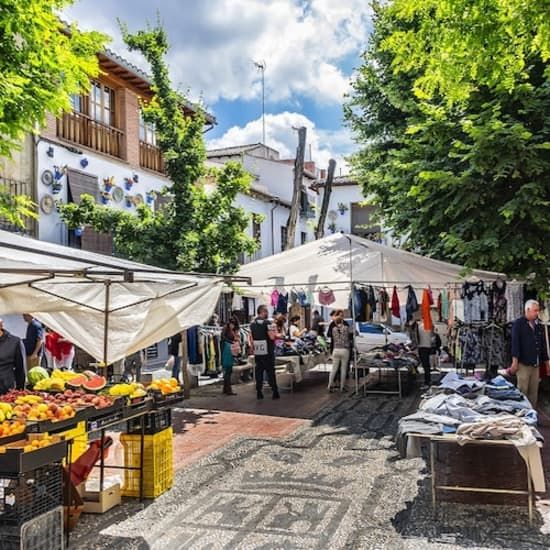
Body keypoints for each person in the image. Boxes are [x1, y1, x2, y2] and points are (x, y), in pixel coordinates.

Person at [510, 300, 550, 408]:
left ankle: (532, 415)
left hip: (535, 364)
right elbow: (515, 344)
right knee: (523, 391)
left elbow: (542, 345)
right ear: (527, 310)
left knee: (534, 393)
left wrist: (547, 364)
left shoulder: (538, 326)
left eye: (538, 310)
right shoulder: (518, 324)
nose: (537, 313)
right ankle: (522, 415)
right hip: (523, 364)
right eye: (535, 310)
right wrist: (515, 362)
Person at [249, 305, 281, 400]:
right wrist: (278, 336)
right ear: (262, 312)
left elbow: (250, 338)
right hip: (268, 351)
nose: (267, 313)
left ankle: (259, 392)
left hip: (258, 352)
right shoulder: (268, 323)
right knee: (270, 371)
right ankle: (275, 391)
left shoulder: (252, 324)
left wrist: (252, 347)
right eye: (266, 311)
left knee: (259, 371)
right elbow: (271, 337)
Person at [0, 318, 26, 394]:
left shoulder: (15, 342)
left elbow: (20, 369)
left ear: (1, 325)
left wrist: (19, 390)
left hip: (5, 390)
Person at [328, 310, 352, 392]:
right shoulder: (346, 328)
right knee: (343, 369)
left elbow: (330, 336)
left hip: (335, 350)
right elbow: (351, 335)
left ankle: (329, 385)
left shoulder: (333, 329)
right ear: (342, 321)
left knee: (334, 369)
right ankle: (342, 387)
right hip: (345, 350)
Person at [221, 320, 239, 396]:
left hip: (228, 350)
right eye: (232, 325)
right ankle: (228, 389)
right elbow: (224, 338)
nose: (233, 326)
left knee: (228, 370)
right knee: (228, 369)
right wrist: (232, 342)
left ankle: (226, 388)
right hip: (227, 350)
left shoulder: (230, 330)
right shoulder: (226, 330)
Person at [417, 321, 434, 387]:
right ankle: (427, 380)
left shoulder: (419, 325)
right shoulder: (430, 324)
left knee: (425, 365)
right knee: (426, 365)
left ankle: (427, 381)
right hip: (427, 346)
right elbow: (433, 335)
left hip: (422, 347)